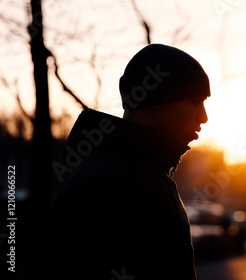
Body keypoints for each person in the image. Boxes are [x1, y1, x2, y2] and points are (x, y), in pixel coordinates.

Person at [49, 44, 210, 280]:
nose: (204, 117)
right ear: (157, 97)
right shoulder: (120, 181)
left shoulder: (138, 170)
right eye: (195, 102)